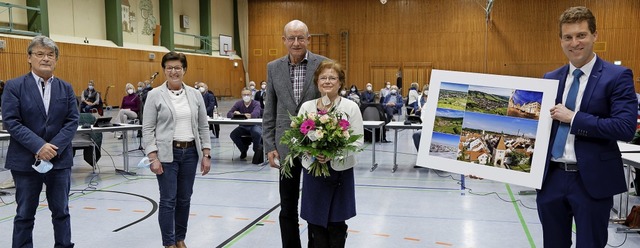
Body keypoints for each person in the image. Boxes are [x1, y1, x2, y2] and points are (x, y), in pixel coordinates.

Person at [536, 6, 637, 247]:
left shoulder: (617, 76)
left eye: (581, 35)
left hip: (591, 181)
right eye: (568, 37)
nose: (575, 43)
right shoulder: (550, 78)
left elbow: (625, 128)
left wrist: (574, 118)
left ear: (594, 36)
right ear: (560, 40)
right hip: (551, 178)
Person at [2, 35, 79, 248]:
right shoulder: (14, 86)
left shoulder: (66, 88)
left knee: (61, 212)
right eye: (40, 54)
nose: (45, 58)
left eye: (50, 55)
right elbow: (11, 121)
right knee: (25, 214)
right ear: (29, 58)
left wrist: (52, 148)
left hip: (59, 161)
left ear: (56, 59)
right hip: (26, 162)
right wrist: (39, 146)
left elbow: (72, 121)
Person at [263, 19, 327, 248]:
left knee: (314, 204)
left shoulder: (323, 65)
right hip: (286, 147)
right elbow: (269, 108)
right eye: (291, 38)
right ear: (284, 40)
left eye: (301, 38)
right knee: (287, 204)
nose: (296, 42)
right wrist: (269, 146)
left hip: (316, 147)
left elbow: (333, 105)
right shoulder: (273, 67)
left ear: (308, 39)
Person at [142, 51, 212, 248]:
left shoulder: (195, 94)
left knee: (184, 200)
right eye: (169, 68)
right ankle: (169, 243)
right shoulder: (154, 95)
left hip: (190, 153)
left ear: (184, 70)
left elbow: (203, 126)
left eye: (177, 68)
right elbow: (147, 129)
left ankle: (180, 238)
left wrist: (206, 154)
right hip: (166, 155)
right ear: (164, 70)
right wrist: (152, 157)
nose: (173, 71)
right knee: (168, 200)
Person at [298, 60, 363, 247]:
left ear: (340, 82)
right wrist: (313, 152)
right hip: (313, 171)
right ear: (317, 82)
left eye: (332, 78)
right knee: (315, 224)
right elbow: (299, 140)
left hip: (340, 172)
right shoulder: (307, 108)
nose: (327, 81)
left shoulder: (350, 107)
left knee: (336, 224)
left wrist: (333, 154)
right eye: (323, 77)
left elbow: (358, 142)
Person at [227, 88, 263, 164]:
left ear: (251, 95)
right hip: (243, 126)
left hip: (255, 125)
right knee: (233, 134)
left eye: (248, 94)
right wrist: (235, 114)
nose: (246, 96)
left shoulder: (256, 103)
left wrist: (243, 115)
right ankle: (243, 150)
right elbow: (229, 114)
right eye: (244, 95)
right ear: (241, 95)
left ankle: (256, 151)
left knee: (256, 132)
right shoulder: (238, 103)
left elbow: (255, 114)